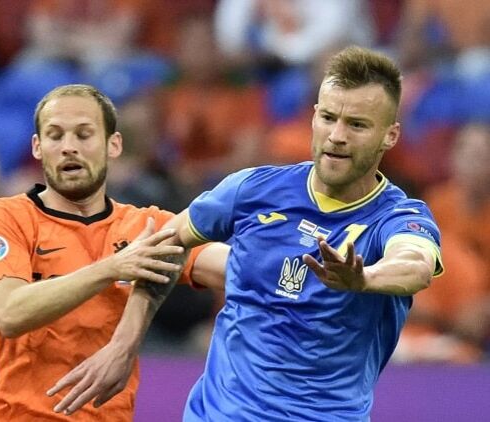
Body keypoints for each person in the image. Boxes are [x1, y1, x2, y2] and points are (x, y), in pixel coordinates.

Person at [49, 46, 444, 421]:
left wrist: (365, 278)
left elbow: (415, 263)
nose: (337, 135)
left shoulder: (397, 215)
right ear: (313, 116)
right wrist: (124, 344)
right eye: (328, 118)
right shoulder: (253, 190)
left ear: (390, 135)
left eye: (356, 124)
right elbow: (164, 245)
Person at [0, 84, 228, 421]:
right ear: (37, 147)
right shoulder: (6, 217)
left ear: (113, 144)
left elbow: (234, 267)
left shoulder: (145, 226)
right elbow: (9, 313)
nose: (68, 147)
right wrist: (113, 268)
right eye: (55, 135)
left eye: (83, 134)